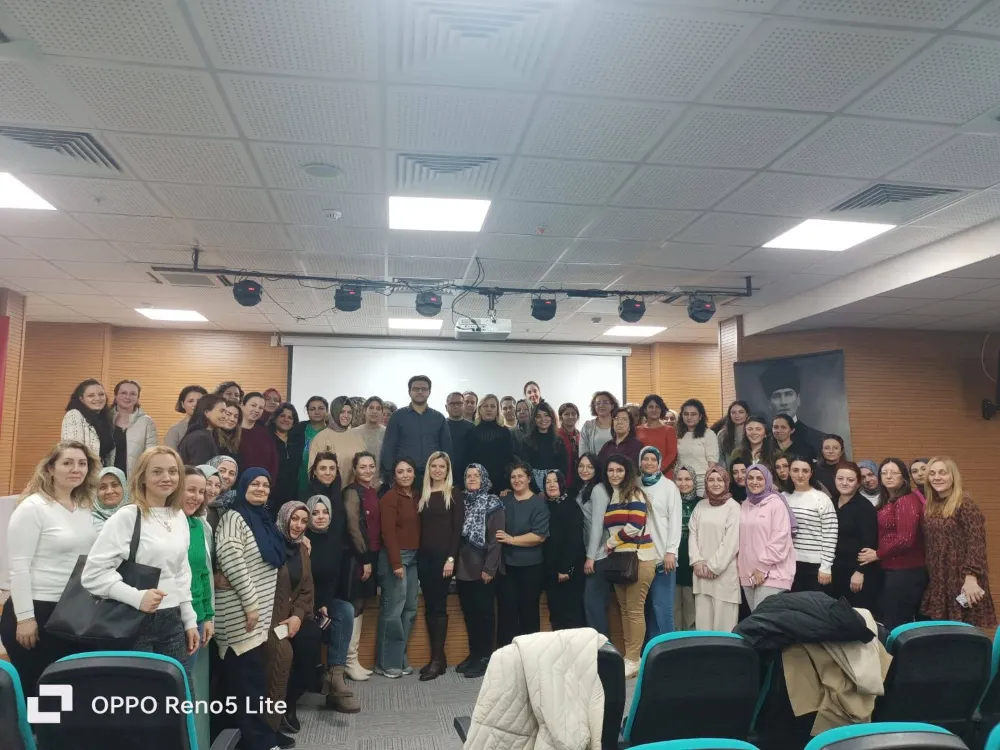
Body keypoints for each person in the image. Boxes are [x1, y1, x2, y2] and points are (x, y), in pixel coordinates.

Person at [82, 447, 198, 667]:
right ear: (142, 477)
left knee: (177, 686)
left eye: (173, 471)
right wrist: (136, 597)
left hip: (172, 620)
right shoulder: (127, 516)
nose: (166, 477)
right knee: (139, 688)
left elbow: (181, 573)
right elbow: (93, 575)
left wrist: (189, 619)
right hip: (133, 620)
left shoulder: (178, 516)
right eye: (157, 471)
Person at [1, 441, 99, 698]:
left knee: (64, 691)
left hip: (71, 611)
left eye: (82, 463)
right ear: (50, 468)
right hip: (36, 610)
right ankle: (32, 727)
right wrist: (25, 618)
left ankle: (56, 728)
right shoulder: (33, 507)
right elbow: (19, 568)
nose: (76, 469)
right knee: (41, 694)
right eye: (67, 463)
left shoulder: (83, 507)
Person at [213, 467, 284, 750]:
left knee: (244, 683)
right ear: (243, 487)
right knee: (248, 684)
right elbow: (232, 562)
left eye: (265, 485)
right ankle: (260, 743)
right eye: (254, 483)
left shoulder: (262, 518)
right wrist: (251, 605)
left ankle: (246, 739)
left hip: (254, 618)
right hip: (239, 615)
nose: (260, 489)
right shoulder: (234, 517)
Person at [920, 457, 996, 627]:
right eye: (932, 473)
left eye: (942, 473)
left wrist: (971, 578)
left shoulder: (965, 504)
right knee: (944, 633)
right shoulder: (931, 506)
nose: (937, 477)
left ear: (953, 476)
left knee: (964, 633)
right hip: (940, 581)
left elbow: (976, 544)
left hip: (962, 580)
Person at [270, 501, 324, 734]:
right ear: (284, 518)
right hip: (271, 618)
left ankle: (290, 700)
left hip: (295, 617)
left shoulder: (302, 549)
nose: (298, 525)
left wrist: (298, 617)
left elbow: (307, 589)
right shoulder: (270, 546)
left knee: (312, 639)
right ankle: (274, 711)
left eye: (303, 521)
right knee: (283, 653)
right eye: (294, 519)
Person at [303, 493, 359, 712]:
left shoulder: (335, 540)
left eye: (325, 512)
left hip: (325, 600)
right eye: (315, 513)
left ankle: (336, 675)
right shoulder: (301, 540)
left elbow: (333, 578)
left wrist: (325, 603)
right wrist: (316, 604)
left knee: (345, 610)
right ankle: (322, 679)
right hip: (303, 602)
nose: (320, 517)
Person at [858, 458, 926, 631]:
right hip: (891, 571)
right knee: (886, 621)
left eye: (894, 472)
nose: (888, 476)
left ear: (904, 477)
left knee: (897, 625)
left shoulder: (906, 500)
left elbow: (905, 539)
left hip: (905, 573)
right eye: (884, 473)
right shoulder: (888, 501)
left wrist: (877, 554)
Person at [602, 454, 655, 678]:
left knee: (634, 610)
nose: (614, 474)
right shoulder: (613, 495)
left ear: (628, 473)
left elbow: (635, 525)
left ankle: (634, 658)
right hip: (620, 561)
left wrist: (611, 543)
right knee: (624, 609)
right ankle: (630, 657)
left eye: (619, 470)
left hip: (639, 558)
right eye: (611, 470)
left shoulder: (635, 493)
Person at [416, 452, 463, 680]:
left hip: (443, 559)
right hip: (424, 558)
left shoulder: (453, 494)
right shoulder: (423, 493)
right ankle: (439, 658)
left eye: (441, 466)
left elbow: (457, 530)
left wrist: (451, 559)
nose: (437, 470)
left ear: (447, 470)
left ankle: (436, 660)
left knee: (439, 607)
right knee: (429, 607)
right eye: (433, 466)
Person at [455, 463, 504, 679]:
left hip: (484, 568)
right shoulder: (460, 501)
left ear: (484, 478)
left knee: (484, 614)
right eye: (469, 476)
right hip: (463, 568)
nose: (472, 478)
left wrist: (489, 568)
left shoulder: (493, 503)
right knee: (470, 613)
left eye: (476, 475)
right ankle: (474, 653)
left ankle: (485, 657)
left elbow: (496, 540)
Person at [496, 461, 550, 646]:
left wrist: (511, 539)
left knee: (529, 613)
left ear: (529, 478)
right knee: (506, 613)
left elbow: (539, 536)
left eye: (520, 476)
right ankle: (506, 655)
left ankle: (529, 655)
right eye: (513, 477)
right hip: (506, 567)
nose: (516, 480)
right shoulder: (504, 501)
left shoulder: (539, 503)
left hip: (531, 567)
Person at [376, 458, 421, 678]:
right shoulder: (389, 498)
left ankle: (399, 657)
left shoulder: (417, 496)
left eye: (408, 470)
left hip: (414, 558)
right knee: (393, 610)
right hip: (396, 558)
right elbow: (387, 533)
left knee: (410, 609)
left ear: (414, 473)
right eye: (400, 471)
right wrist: (396, 563)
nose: (405, 475)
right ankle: (386, 663)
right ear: (394, 475)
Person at [689, 464, 741, 631]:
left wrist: (713, 567)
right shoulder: (700, 506)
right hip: (701, 575)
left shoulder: (734, 507)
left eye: (719, 480)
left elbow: (731, 542)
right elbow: (693, 534)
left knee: (724, 627)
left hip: (723, 575)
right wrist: (697, 561)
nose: (715, 483)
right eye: (711, 480)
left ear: (726, 482)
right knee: (703, 626)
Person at [341, 452, 379, 682]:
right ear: (354, 469)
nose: (367, 470)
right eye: (362, 466)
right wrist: (364, 559)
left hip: (370, 556)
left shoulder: (372, 491)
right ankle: (348, 661)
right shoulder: (351, 492)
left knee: (361, 605)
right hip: (356, 558)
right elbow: (353, 527)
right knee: (353, 606)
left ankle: (353, 659)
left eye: (371, 466)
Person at [738, 464, 796, 612]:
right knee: (755, 619)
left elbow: (780, 539)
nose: (754, 482)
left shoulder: (776, 504)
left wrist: (762, 568)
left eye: (759, 478)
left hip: (773, 574)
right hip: (748, 574)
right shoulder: (745, 504)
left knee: (763, 620)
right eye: (750, 478)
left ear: (767, 481)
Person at [639, 446, 681, 639]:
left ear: (659, 463)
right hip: (640, 558)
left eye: (653, 459)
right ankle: (651, 651)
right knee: (645, 610)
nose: (649, 463)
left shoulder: (669, 487)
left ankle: (667, 649)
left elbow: (675, 521)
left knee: (662, 608)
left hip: (663, 558)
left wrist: (671, 551)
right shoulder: (635, 484)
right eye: (645, 459)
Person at [380, 376, 452, 487]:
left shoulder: (439, 418)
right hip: (405, 477)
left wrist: (446, 473)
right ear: (409, 392)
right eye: (415, 389)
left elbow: (446, 449)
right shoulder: (397, 416)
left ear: (429, 392)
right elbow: (388, 447)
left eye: (424, 389)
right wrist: (390, 475)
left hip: (433, 477)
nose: (420, 391)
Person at [826, 462, 879, 610]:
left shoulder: (865, 507)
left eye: (850, 480)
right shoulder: (830, 503)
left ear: (858, 483)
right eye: (840, 478)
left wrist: (860, 572)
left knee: (857, 615)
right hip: (834, 570)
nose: (844, 483)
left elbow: (869, 543)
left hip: (855, 573)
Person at [784, 457, 838, 593]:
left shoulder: (822, 499)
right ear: (789, 472)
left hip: (815, 565)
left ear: (811, 473)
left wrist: (826, 567)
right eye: (795, 470)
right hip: (788, 563)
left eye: (805, 471)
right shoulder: (782, 497)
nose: (800, 475)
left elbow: (830, 534)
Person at [180, 467, 214, 677]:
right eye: (191, 490)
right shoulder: (164, 525)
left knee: (186, 682)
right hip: (171, 620)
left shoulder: (198, 525)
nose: (197, 497)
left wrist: (208, 616)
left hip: (197, 616)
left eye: (201, 492)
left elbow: (203, 573)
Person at [543, 469, 585, 631]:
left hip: (569, 571)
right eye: (548, 482)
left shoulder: (570, 506)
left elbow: (574, 540)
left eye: (555, 481)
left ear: (562, 484)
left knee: (571, 615)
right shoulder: (546, 506)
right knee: (556, 614)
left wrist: (565, 568)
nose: (552, 485)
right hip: (551, 572)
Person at [577, 453, 613, 636]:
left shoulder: (598, 489)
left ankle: (604, 647)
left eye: (589, 467)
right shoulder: (583, 488)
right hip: (589, 554)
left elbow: (598, 525)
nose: (584, 470)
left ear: (596, 469)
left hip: (599, 556)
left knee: (593, 605)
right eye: (581, 466)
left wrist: (591, 557)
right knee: (590, 606)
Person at [759, 360, 824, 456]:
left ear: (798, 399)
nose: (783, 402)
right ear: (769, 404)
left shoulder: (817, 438)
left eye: (788, 394)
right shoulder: (762, 440)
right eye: (776, 396)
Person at [465, 394, 516, 495]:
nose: (489, 409)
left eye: (492, 406)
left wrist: (507, 485)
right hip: (476, 485)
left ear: (497, 410)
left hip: (501, 487)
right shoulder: (471, 433)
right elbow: (467, 462)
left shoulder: (505, 432)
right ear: (479, 409)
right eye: (485, 406)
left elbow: (509, 461)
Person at [309, 397, 366, 486]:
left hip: (355, 491)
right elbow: (313, 471)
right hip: (329, 491)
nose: (346, 415)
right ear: (335, 412)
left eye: (349, 412)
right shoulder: (321, 438)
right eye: (342, 412)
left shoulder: (358, 437)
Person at [672, 465, 701, 631]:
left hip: (692, 564)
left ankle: (690, 642)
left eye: (688, 479)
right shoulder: (670, 502)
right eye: (679, 479)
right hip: (672, 563)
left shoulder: (701, 503)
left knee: (692, 611)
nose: (683, 483)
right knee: (674, 610)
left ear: (694, 481)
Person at [61, 378, 115, 465]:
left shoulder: (105, 419)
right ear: (81, 399)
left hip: (102, 470)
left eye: (101, 394)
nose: (97, 398)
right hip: (84, 470)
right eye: (91, 395)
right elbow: (73, 450)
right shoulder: (74, 415)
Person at [110, 379, 158, 477]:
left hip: (136, 478)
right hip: (108, 477)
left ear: (137, 398)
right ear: (115, 396)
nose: (127, 397)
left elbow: (151, 455)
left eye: (133, 394)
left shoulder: (147, 422)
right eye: (123, 393)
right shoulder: (105, 418)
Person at [521, 402, 570, 491]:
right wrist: (536, 490)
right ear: (534, 419)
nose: (543, 419)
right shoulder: (527, 441)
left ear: (551, 417)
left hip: (555, 485)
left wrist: (556, 486)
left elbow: (564, 468)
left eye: (546, 415)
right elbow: (525, 469)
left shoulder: (559, 441)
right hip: (534, 487)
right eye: (538, 416)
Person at [676, 399, 720, 496]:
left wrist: (708, 487)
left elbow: (712, 464)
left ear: (700, 416)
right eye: (686, 414)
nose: (689, 417)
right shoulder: (678, 435)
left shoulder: (709, 434)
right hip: (682, 482)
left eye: (693, 414)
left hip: (702, 483)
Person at [268, 403, 303, 515]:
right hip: (270, 496)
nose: (286, 420)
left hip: (293, 496)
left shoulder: (297, 441)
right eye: (282, 416)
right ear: (275, 418)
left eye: (290, 417)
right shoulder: (267, 439)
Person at [178, 395, 230, 467]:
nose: (225, 416)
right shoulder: (201, 438)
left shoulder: (201, 435)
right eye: (222, 411)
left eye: (226, 412)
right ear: (206, 412)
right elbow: (200, 470)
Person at [294, 396, 329, 497]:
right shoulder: (298, 430)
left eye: (321, 408)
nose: (316, 412)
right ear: (308, 412)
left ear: (327, 411)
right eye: (312, 409)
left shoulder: (331, 432)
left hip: (325, 482)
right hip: (301, 482)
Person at [636, 395, 678, 478]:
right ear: (645, 410)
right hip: (642, 475)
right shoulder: (637, 430)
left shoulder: (669, 430)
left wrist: (656, 470)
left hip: (663, 475)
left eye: (657, 407)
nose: (654, 410)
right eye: (651, 407)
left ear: (661, 410)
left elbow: (672, 454)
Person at [240, 392, 279, 479]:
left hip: (262, 484)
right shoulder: (231, 431)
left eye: (261, 408)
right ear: (242, 405)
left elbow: (273, 462)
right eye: (253, 405)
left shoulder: (265, 433)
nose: (257, 410)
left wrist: (268, 482)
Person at [165, 385, 208, 449]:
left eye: (199, 401)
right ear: (182, 404)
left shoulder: (212, 427)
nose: (195, 404)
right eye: (190, 401)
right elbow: (169, 453)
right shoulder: (175, 430)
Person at [351, 396, 386, 470]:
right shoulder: (353, 433)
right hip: (358, 475)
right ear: (364, 410)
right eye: (371, 408)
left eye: (378, 409)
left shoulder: (387, 433)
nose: (374, 411)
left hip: (381, 476)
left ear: (382, 412)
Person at [92, 466, 130, 532]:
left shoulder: (136, 515)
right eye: (103, 487)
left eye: (115, 485)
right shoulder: (89, 520)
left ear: (124, 487)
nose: (109, 491)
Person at [581, 391, 618, 456]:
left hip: (617, 462)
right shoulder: (588, 426)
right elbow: (583, 452)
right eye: (598, 403)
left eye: (605, 402)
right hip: (593, 462)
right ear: (594, 407)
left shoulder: (620, 424)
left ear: (612, 406)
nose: (601, 405)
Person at [445, 391, 473, 474]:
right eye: (452, 404)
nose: (456, 406)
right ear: (446, 407)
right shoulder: (440, 426)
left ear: (464, 405)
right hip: (445, 471)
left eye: (459, 403)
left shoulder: (472, 428)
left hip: (467, 472)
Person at [716, 400, 749, 469]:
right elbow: (720, 457)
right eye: (733, 413)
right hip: (728, 471)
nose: (737, 415)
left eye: (741, 412)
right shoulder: (722, 434)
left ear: (747, 414)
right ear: (729, 415)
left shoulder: (752, 433)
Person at [556, 402, 581, 477]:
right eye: (566, 414)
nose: (570, 417)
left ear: (577, 417)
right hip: (561, 477)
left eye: (573, 414)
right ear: (561, 418)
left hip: (579, 478)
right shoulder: (556, 435)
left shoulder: (580, 435)